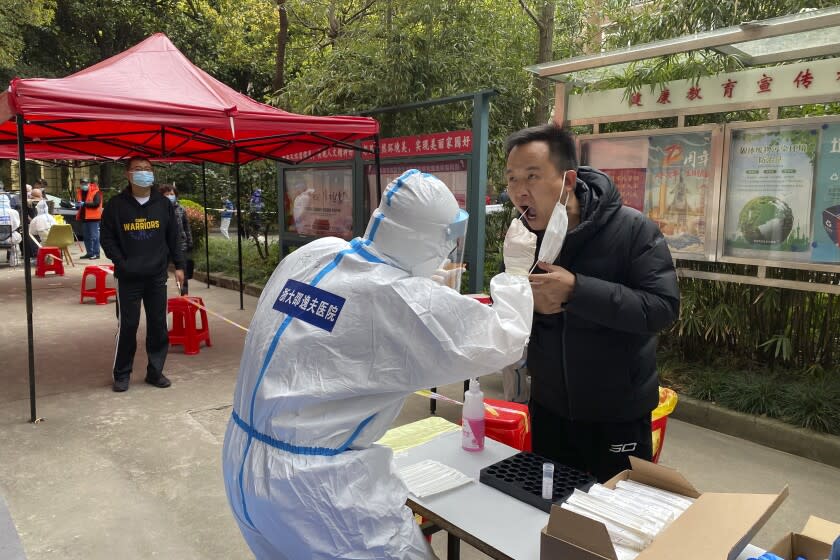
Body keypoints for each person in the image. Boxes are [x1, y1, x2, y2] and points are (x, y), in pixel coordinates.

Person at [222, 169, 537, 560]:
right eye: (445, 239)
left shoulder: (316, 254)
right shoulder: (399, 298)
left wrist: (421, 285)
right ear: (429, 239)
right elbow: (504, 340)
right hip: (317, 491)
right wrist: (518, 275)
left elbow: (354, 306)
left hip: (243, 460)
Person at [504, 124, 680, 482]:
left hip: (616, 415)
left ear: (568, 180)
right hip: (549, 408)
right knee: (550, 514)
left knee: (614, 523)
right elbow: (513, 306)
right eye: (512, 180)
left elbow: (662, 308)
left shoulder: (633, 229)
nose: (520, 192)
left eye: (532, 177)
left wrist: (577, 291)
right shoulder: (524, 237)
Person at [100, 157, 185, 392]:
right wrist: (122, 263)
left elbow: (173, 237)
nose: (144, 173)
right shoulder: (116, 205)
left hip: (157, 275)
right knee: (128, 325)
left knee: (158, 324)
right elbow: (107, 238)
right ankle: (122, 374)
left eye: (148, 169)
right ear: (128, 174)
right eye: (138, 169)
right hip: (127, 277)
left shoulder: (163, 204)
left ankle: (155, 372)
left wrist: (179, 266)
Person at [159, 184, 193, 295]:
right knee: (161, 271)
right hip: (163, 246)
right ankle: (159, 294)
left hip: (180, 244)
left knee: (183, 270)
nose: (170, 196)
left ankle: (184, 294)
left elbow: (186, 226)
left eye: (172, 194)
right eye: (167, 194)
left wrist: (189, 241)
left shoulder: (181, 209)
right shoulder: (158, 210)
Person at [76, 178, 103, 259]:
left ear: (89, 184)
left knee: (94, 237)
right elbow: (80, 204)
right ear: (80, 184)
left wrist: (84, 204)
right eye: (82, 184)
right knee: (86, 237)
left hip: (94, 218)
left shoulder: (96, 191)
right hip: (84, 217)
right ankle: (89, 253)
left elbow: (96, 204)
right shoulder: (79, 192)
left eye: (85, 184)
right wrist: (77, 206)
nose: (84, 185)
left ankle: (96, 254)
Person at [0, 193, 22, 265]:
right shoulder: (14, 212)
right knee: (17, 238)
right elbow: (17, 225)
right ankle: (14, 261)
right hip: (10, 238)